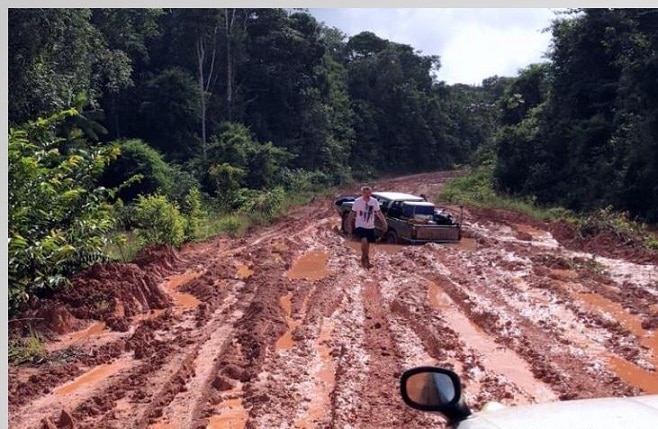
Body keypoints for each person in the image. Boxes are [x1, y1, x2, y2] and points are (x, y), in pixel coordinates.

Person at [347, 186, 387, 269]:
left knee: (367, 244)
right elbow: (352, 213)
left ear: (371, 193)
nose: (367, 194)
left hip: (370, 226)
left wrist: (384, 222)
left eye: (369, 193)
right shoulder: (357, 202)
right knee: (364, 241)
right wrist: (349, 224)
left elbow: (378, 212)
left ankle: (364, 257)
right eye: (365, 193)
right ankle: (366, 259)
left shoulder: (374, 201)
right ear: (362, 193)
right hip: (360, 225)